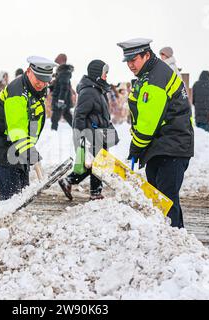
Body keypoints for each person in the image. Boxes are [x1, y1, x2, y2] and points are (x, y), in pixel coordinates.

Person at [117, 38, 194, 229]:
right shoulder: (148, 74)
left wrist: (135, 148)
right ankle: (168, 237)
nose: (130, 65)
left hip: (172, 146)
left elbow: (148, 123)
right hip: (161, 146)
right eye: (127, 61)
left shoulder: (156, 78)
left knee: (165, 200)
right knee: (157, 198)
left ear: (147, 55)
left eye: (134, 60)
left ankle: (174, 240)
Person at [0, 56, 58, 201]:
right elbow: (17, 129)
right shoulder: (17, 93)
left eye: (45, 80)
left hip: (20, 149)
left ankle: (16, 222)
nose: (42, 84)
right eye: (39, 79)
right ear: (28, 71)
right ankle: (1, 222)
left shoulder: (36, 89)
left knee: (22, 194)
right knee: (11, 197)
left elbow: (32, 119)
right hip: (3, 148)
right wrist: (30, 151)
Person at [58, 60, 119, 201]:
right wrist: (80, 138)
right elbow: (79, 116)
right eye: (104, 73)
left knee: (96, 164)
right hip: (91, 135)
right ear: (97, 73)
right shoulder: (89, 91)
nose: (106, 76)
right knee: (96, 164)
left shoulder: (97, 89)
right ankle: (91, 191)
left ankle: (78, 185)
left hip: (99, 133)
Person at [50, 54, 74, 131]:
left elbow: (64, 87)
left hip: (60, 100)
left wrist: (61, 100)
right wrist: (52, 86)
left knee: (55, 119)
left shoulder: (64, 72)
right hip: (62, 100)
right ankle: (80, 131)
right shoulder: (62, 72)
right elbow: (59, 86)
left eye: (57, 60)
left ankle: (53, 134)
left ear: (62, 60)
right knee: (68, 116)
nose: (56, 62)